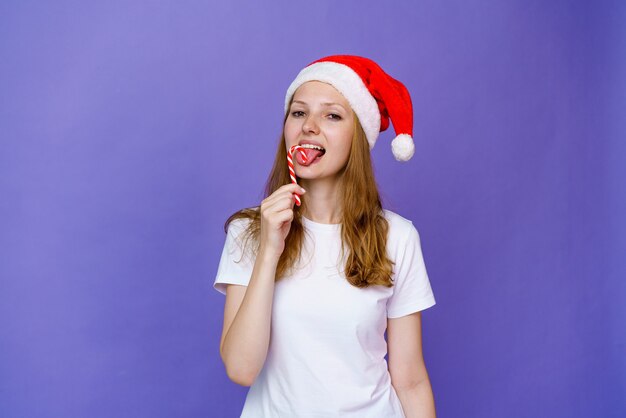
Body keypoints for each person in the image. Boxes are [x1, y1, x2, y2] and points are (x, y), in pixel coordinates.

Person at [213, 55, 437, 418]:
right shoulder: (250, 231)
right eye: (299, 113)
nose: (309, 127)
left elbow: (410, 380)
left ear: (358, 137)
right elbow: (241, 368)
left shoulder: (397, 236)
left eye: (332, 115)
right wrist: (270, 251)